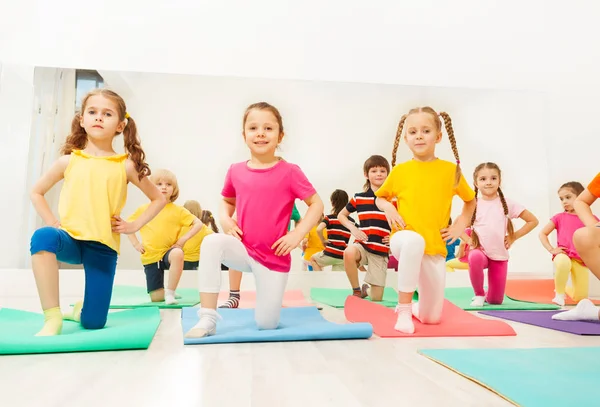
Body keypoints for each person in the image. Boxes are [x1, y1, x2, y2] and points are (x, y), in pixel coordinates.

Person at [29, 89, 166, 336]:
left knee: (94, 323)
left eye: (107, 113)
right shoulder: (68, 161)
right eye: (92, 112)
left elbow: (158, 199)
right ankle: (52, 317)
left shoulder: (125, 165)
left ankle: (80, 311)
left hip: (103, 246)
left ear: (120, 125)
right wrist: (52, 222)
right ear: (82, 120)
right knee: (42, 237)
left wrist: (134, 226)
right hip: (70, 239)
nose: (98, 118)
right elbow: (36, 192)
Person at [185, 102, 324, 338]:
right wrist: (226, 220)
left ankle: (268, 308)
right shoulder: (236, 170)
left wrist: (296, 234)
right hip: (244, 250)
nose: (260, 133)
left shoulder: (290, 171)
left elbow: (316, 205)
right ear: (244, 135)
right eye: (253, 128)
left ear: (280, 135)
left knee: (266, 324)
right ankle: (207, 317)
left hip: (274, 258)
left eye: (268, 128)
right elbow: (226, 202)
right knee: (211, 242)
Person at [375, 106, 476, 334]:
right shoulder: (400, 171)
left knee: (432, 318)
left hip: (433, 247)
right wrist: (388, 209)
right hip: (404, 239)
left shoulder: (450, 171)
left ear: (438, 136)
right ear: (405, 139)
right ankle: (403, 309)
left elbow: (470, 201)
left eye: (425, 130)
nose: (419, 136)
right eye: (412, 132)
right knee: (414, 241)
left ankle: (418, 309)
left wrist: (460, 224)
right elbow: (380, 198)